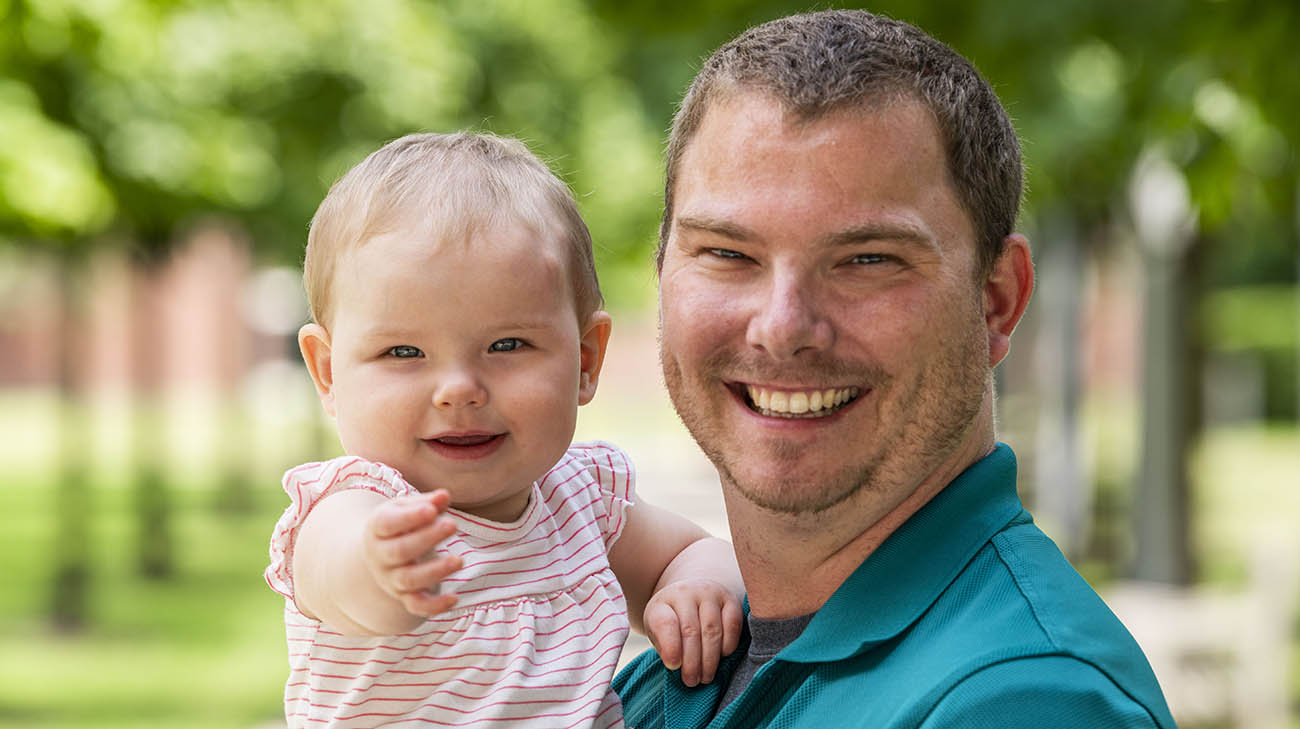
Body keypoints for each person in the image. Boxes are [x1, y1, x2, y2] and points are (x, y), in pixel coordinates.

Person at [614, 9, 1178, 729]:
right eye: (728, 253)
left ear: (997, 299)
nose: (783, 327)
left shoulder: (1025, 699)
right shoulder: (671, 669)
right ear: (662, 271)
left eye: (867, 260)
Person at [265, 131, 744, 729]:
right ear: (328, 372)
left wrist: (696, 588)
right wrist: (378, 567)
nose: (459, 388)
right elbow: (334, 571)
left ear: (585, 361)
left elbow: (693, 551)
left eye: (507, 345)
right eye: (404, 351)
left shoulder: (582, 501)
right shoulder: (358, 503)